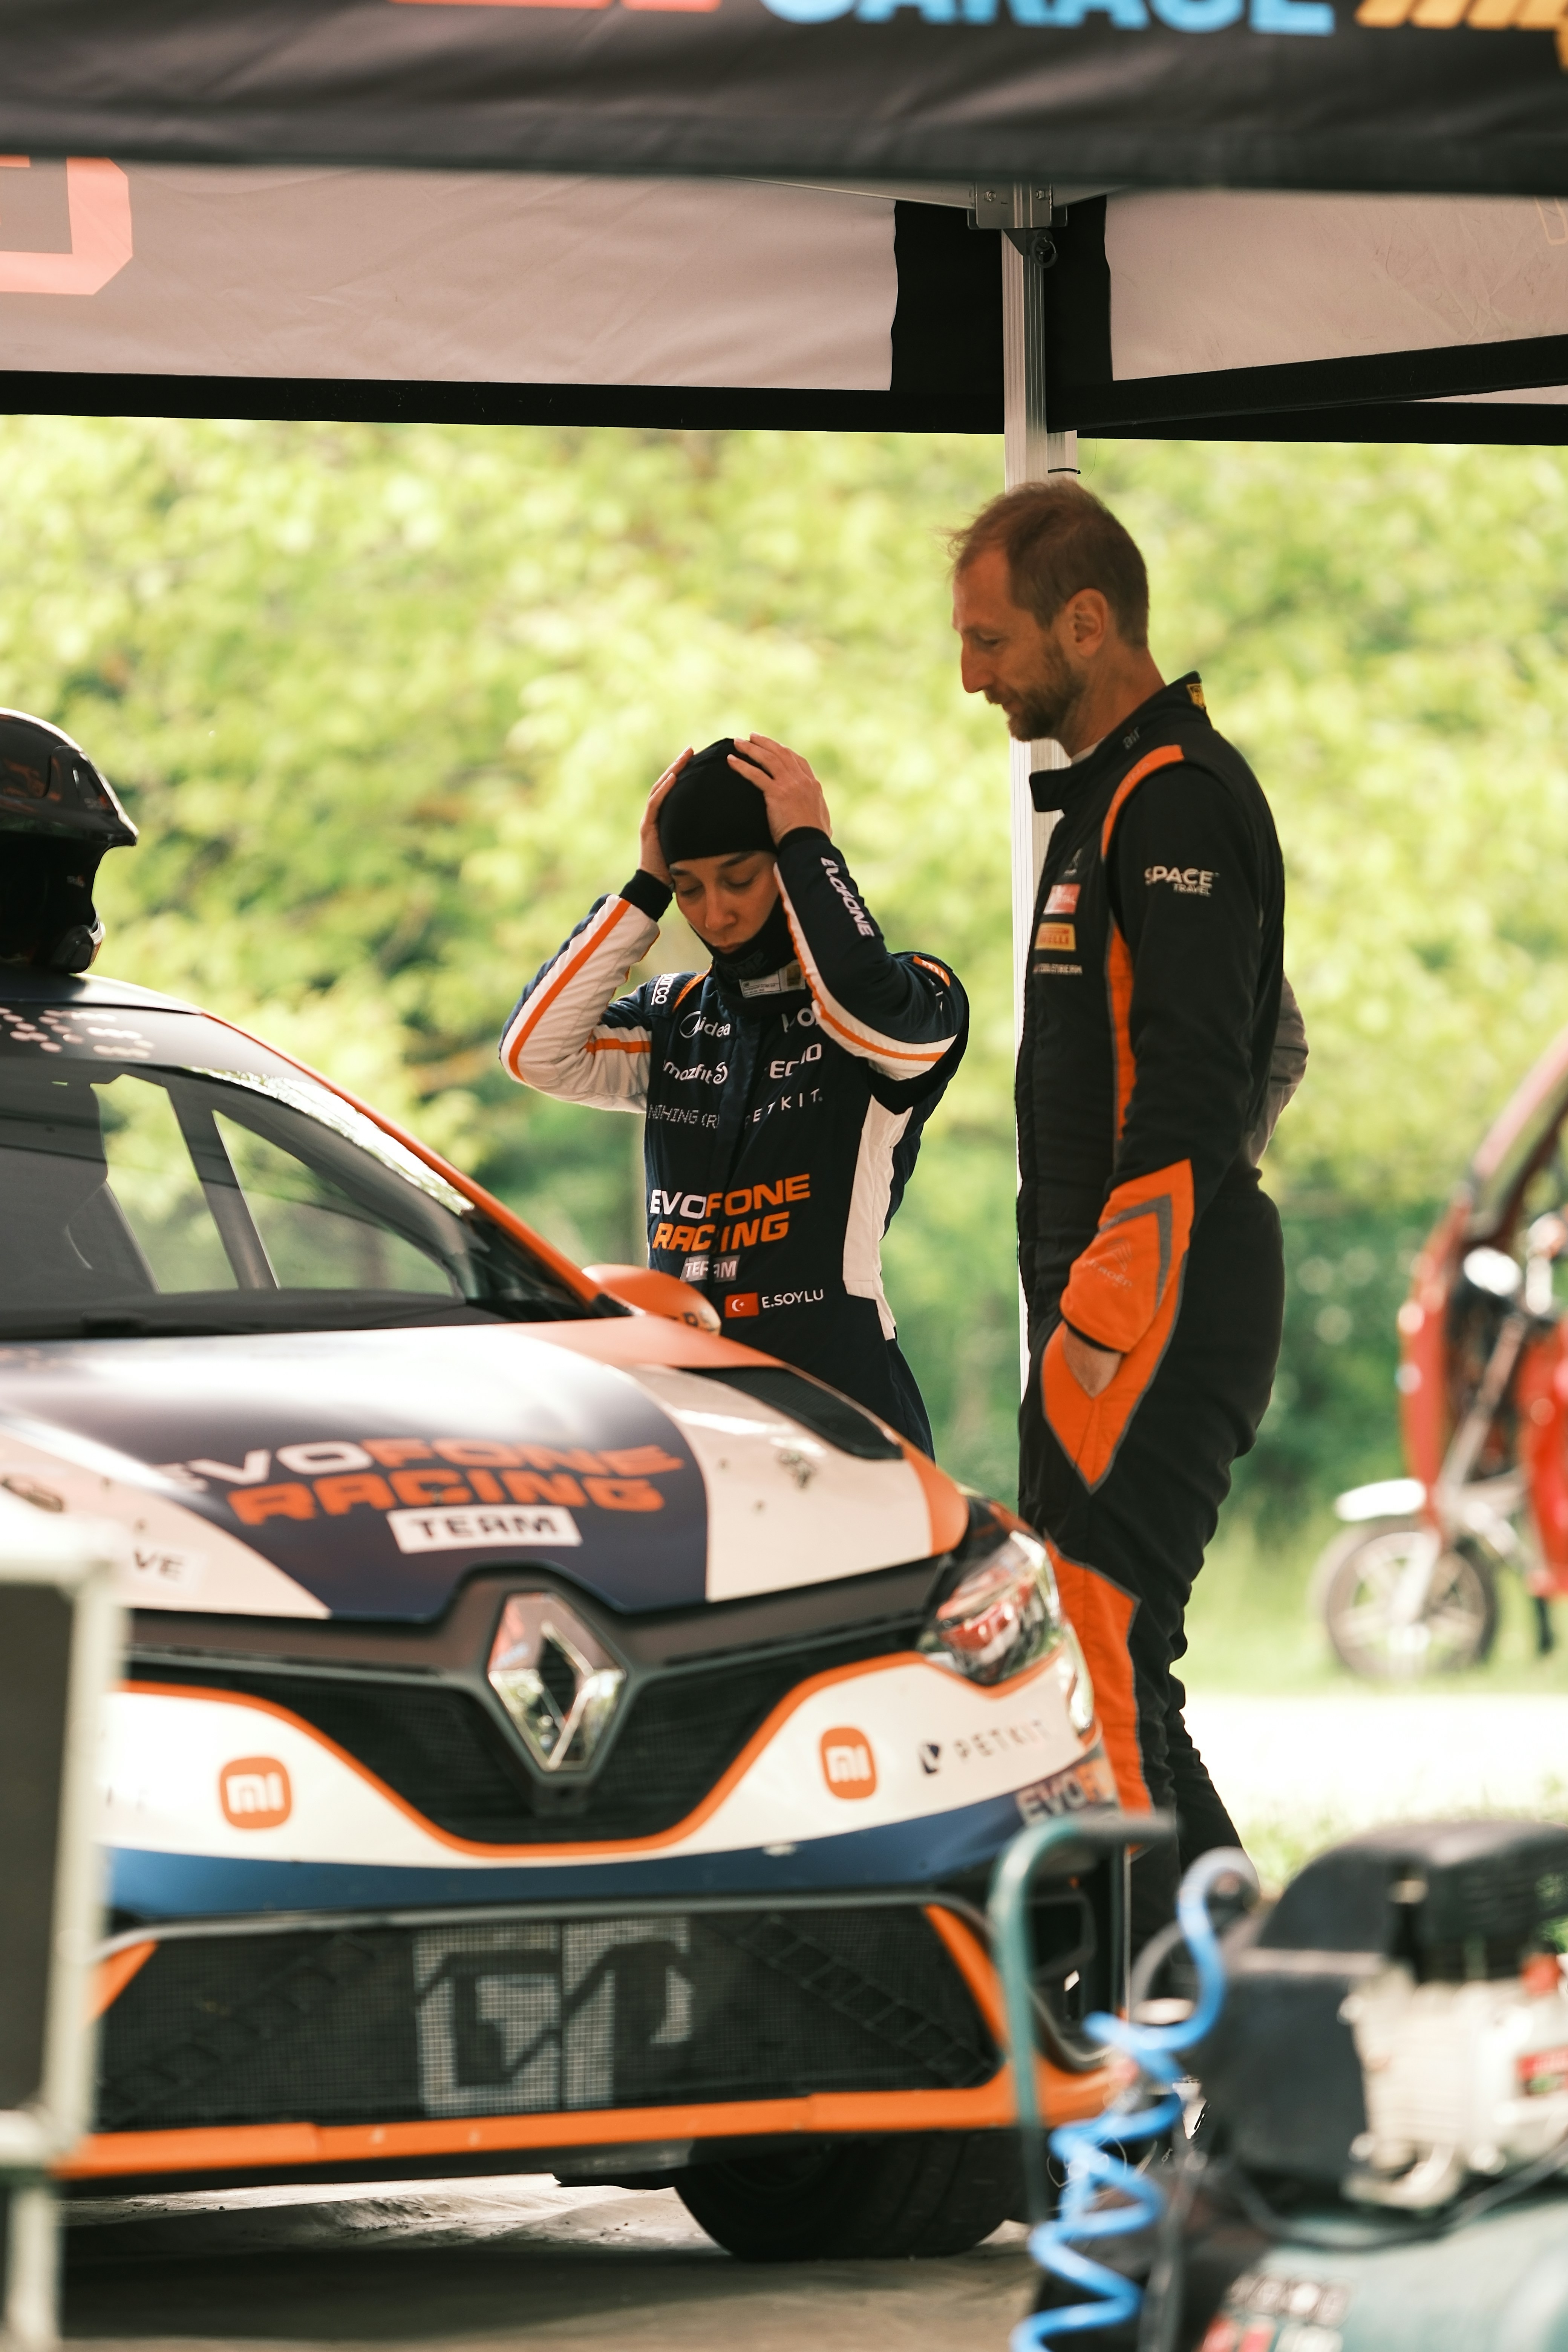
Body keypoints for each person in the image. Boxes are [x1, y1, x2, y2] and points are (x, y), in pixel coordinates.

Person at [951, 480, 1306, 1944]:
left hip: (1153, 1300)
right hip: (1119, 1298)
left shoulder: (1172, 797)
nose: (969, 673)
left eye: (988, 637)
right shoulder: (1117, 794)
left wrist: (1093, 1333)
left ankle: (1186, 2049)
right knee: (1112, 1665)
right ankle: (1259, 2023)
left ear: (1083, 622)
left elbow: (1191, 1092)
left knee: (1097, 1661)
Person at [500, 735, 967, 1452]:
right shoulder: (673, 1015)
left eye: (740, 878)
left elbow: (858, 1001)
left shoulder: (912, 999)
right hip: (688, 1401)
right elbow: (534, 1053)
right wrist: (645, 889)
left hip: (842, 1393)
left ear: (787, 868)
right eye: (690, 888)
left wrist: (809, 843)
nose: (714, 914)